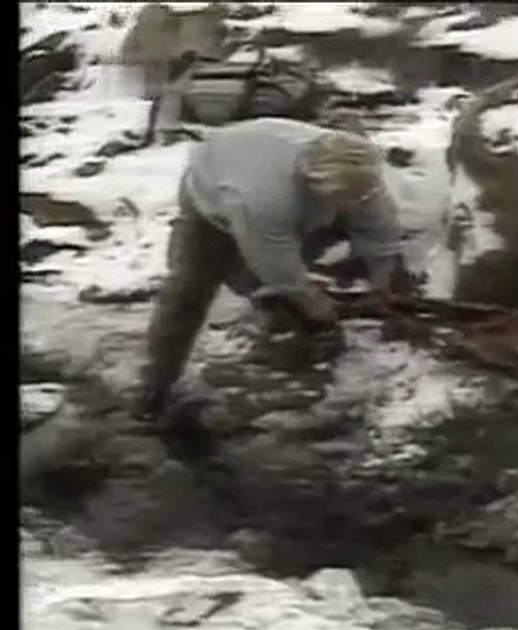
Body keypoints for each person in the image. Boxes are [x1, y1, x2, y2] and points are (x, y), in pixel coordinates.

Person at [135, 117, 412, 421]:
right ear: (316, 183)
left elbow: (379, 229)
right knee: (190, 289)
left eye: (362, 196)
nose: (357, 203)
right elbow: (276, 263)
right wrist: (311, 300)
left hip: (284, 190)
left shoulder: (360, 175)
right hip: (212, 197)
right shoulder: (262, 198)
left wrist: (381, 285)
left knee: (291, 272)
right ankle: (156, 386)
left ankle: (291, 336)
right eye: (347, 198)